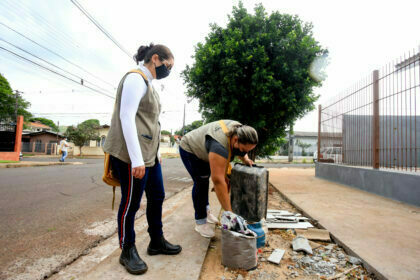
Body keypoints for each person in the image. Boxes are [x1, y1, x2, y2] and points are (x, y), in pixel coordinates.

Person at [103, 43, 181, 275]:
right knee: (131, 203)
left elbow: (149, 123)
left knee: (157, 196)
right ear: (155, 58)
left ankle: (156, 241)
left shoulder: (149, 84)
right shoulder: (135, 79)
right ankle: (127, 249)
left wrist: (154, 156)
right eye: (168, 65)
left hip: (149, 156)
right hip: (131, 156)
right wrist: (137, 160)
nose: (169, 70)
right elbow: (126, 117)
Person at [179, 120, 258, 238]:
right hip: (190, 149)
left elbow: (242, 148)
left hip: (206, 149)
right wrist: (230, 213)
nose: (243, 153)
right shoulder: (219, 146)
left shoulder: (240, 130)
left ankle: (206, 211)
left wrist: (245, 158)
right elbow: (218, 181)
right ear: (235, 139)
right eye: (243, 150)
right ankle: (200, 221)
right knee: (200, 182)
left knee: (204, 180)